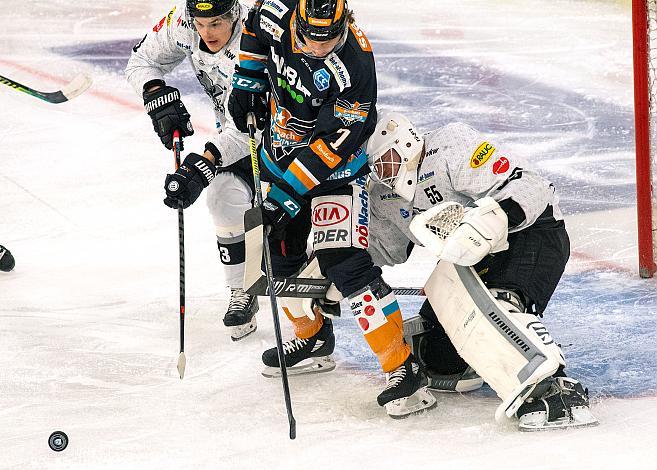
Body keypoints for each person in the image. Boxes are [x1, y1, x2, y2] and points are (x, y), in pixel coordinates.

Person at [228, 0, 436, 417]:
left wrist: (284, 197)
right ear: (297, 22)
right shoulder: (275, 9)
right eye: (311, 40)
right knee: (279, 259)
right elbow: (252, 27)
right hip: (277, 155)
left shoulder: (356, 66)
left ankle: (403, 367)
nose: (321, 49)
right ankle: (312, 337)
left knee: (345, 264)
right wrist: (248, 81)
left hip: (337, 175)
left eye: (331, 40)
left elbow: (330, 150)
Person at [364, 111, 598, 430]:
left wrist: (488, 221)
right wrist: (328, 264)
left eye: (387, 160)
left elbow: (529, 187)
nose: (383, 172)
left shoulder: (448, 146)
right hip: (470, 256)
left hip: (531, 233)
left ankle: (556, 389)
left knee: (498, 309)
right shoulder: (382, 193)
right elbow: (383, 249)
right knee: (438, 358)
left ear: (407, 141)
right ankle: (471, 355)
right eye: (375, 167)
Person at [125, 0, 260, 340]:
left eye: (216, 23)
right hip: (233, 138)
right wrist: (157, 94)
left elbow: (249, 129)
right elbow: (142, 60)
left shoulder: (254, 43)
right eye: (200, 23)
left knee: (284, 235)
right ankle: (240, 292)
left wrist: (205, 163)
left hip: (278, 142)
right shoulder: (182, 23)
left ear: (234, 16)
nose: (207, 32)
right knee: (220, 195)